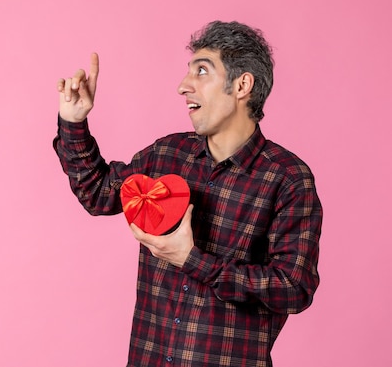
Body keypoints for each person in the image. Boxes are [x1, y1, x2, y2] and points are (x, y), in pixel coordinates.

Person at [53, 20, 322, 367]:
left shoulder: (287, 179)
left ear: (242, 85)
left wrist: (192, 260)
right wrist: (73, 122)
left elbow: (293, 287)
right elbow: (97, 192)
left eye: (202, 72)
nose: (183, 86)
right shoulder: (167, 155)